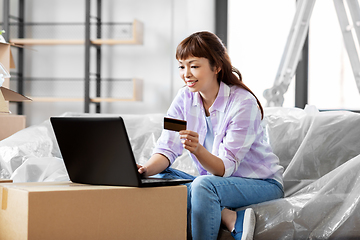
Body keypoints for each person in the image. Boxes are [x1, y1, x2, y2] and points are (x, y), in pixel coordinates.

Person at [137, 31, 284, 240]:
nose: (186, 74)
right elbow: (167, 146)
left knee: (202, 185)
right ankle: (229, 216)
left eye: (194, 66)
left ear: (216, 67)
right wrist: (144, 171)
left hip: (261, 184)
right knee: (160, 178)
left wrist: (198, 149)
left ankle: (219, 209)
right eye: (182, 66)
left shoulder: (243, 103)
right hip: (214, 183)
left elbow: (224, 168)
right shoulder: (183, 98)